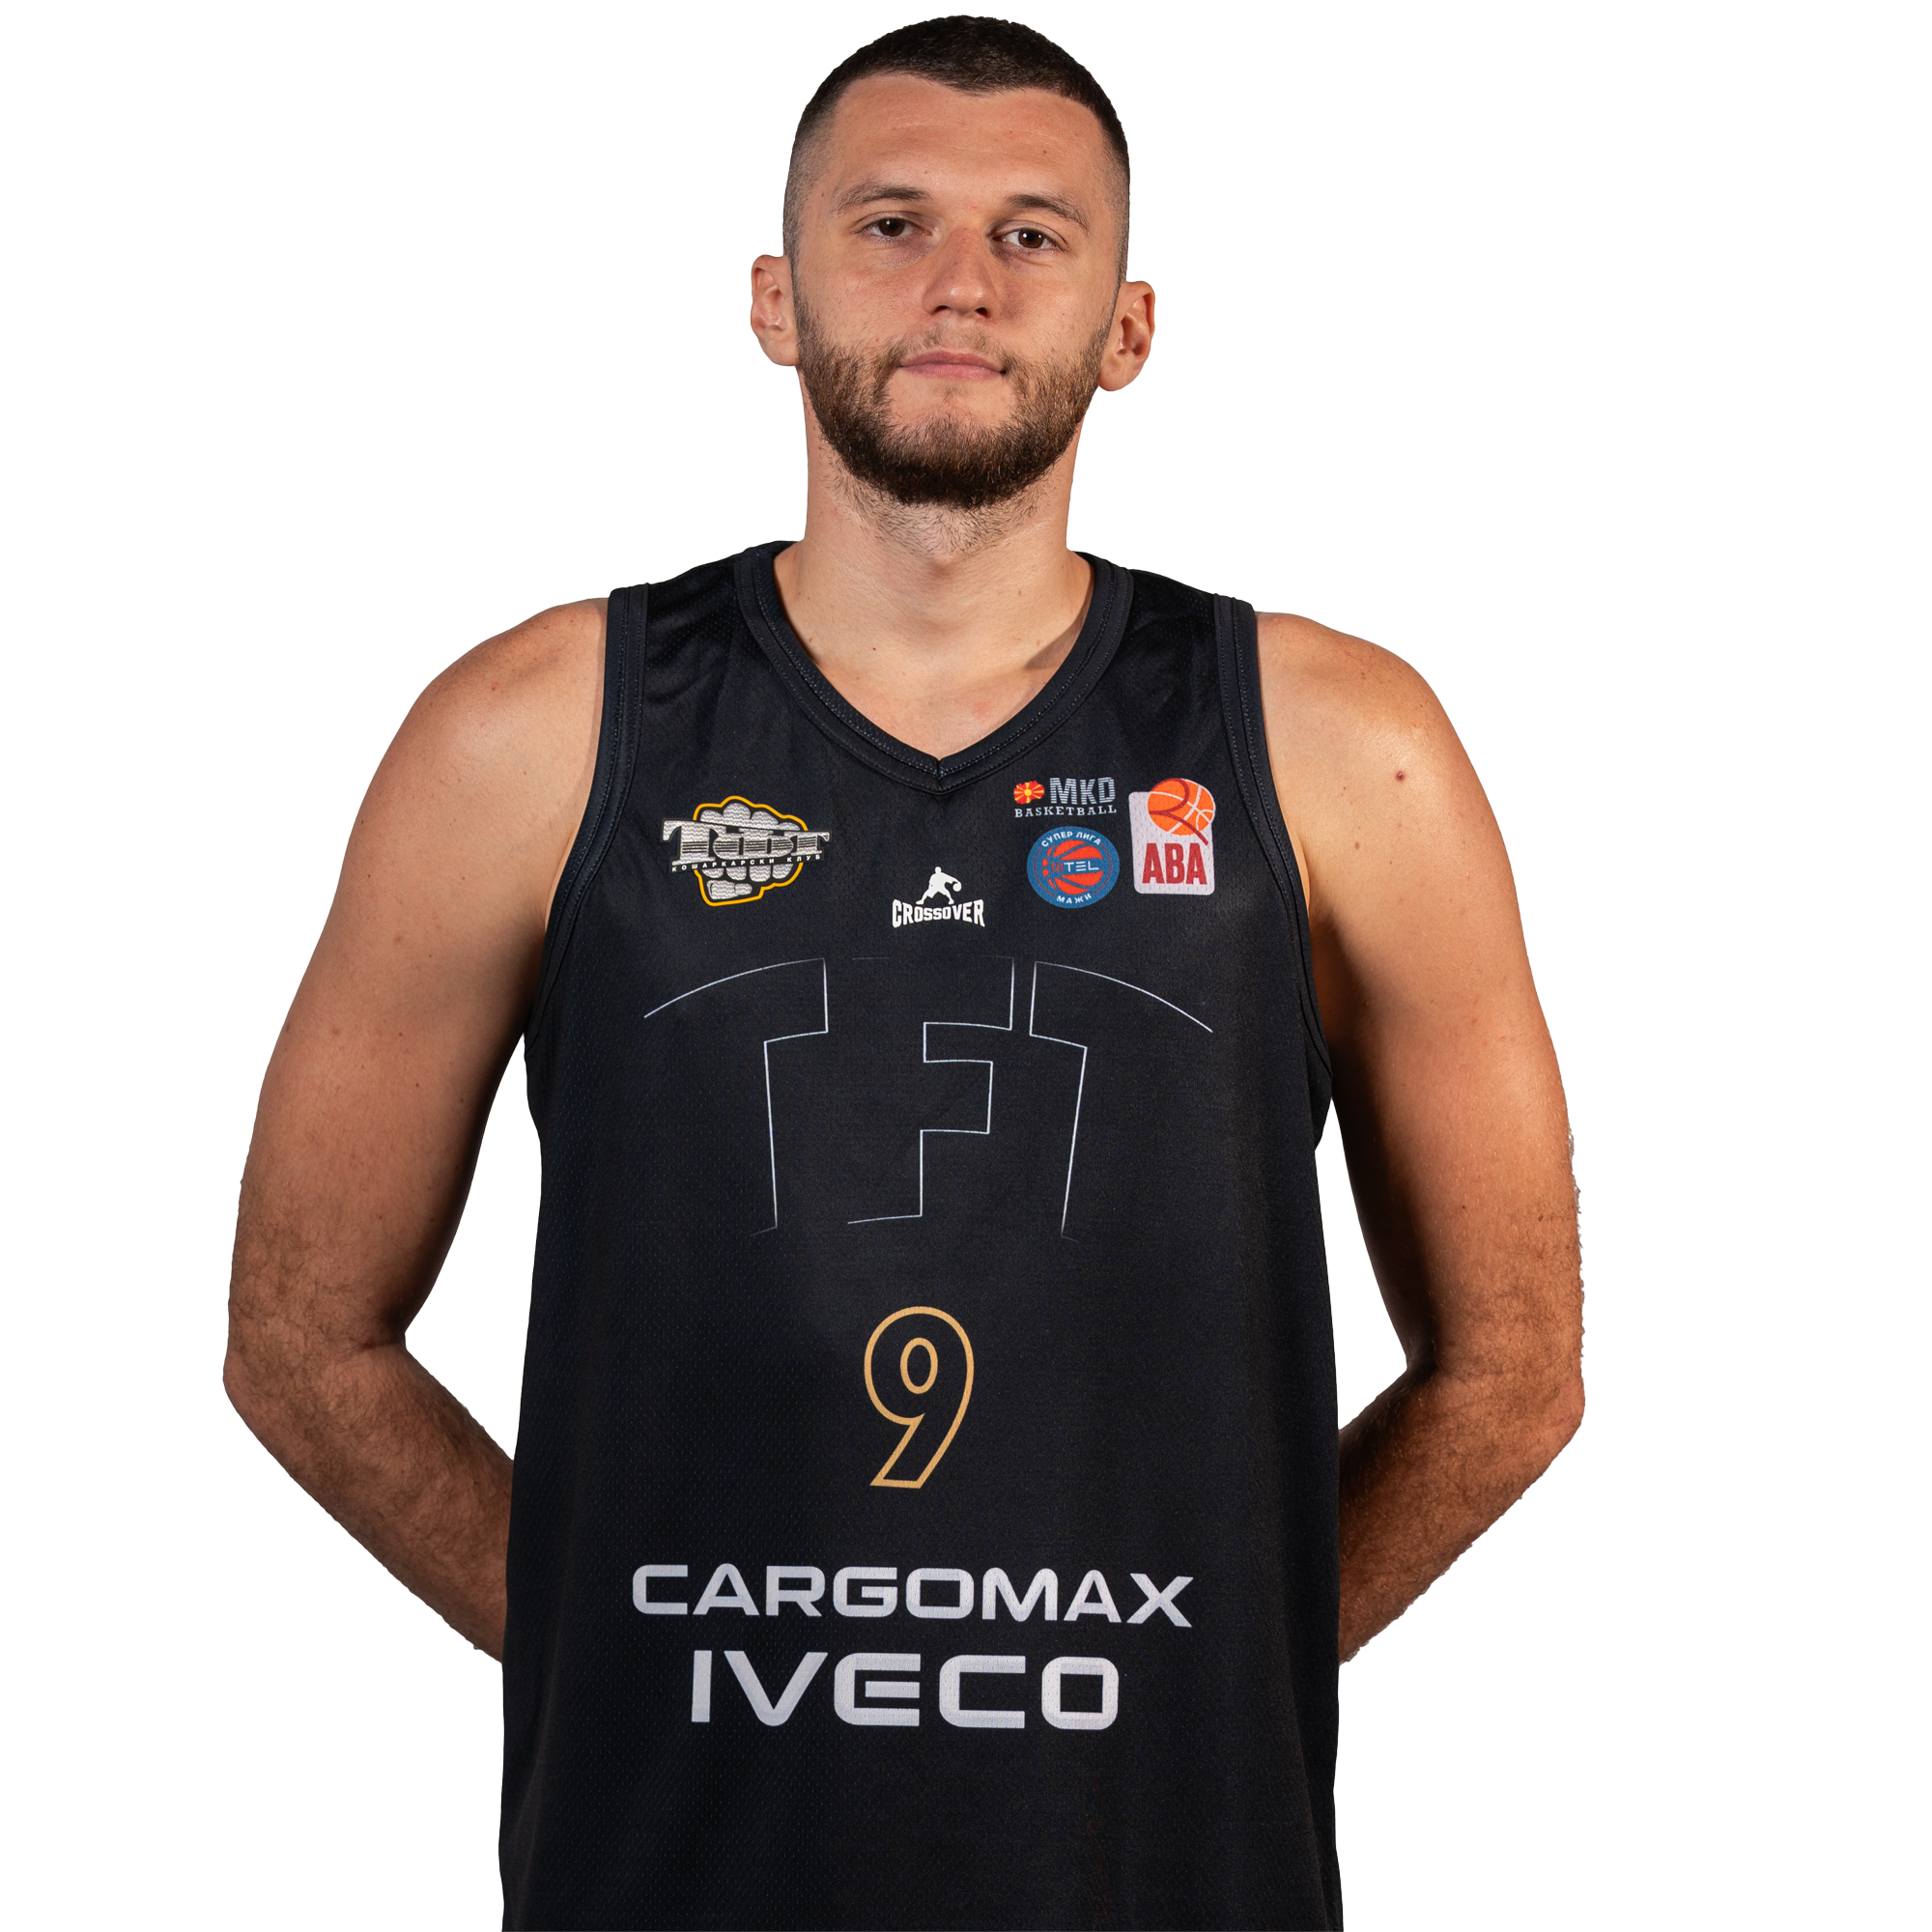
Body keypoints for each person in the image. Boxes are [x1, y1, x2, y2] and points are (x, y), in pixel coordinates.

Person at [224, 15, 1583, 1928]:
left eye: (1033, 233)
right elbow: (301, 1335)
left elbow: (1513, 1374)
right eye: (891, 224)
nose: (961, 282)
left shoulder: (1346, 751)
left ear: (1128, 325)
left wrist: (1217, 1667)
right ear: (774, 301)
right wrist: (622, 1656)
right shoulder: (528, 735)